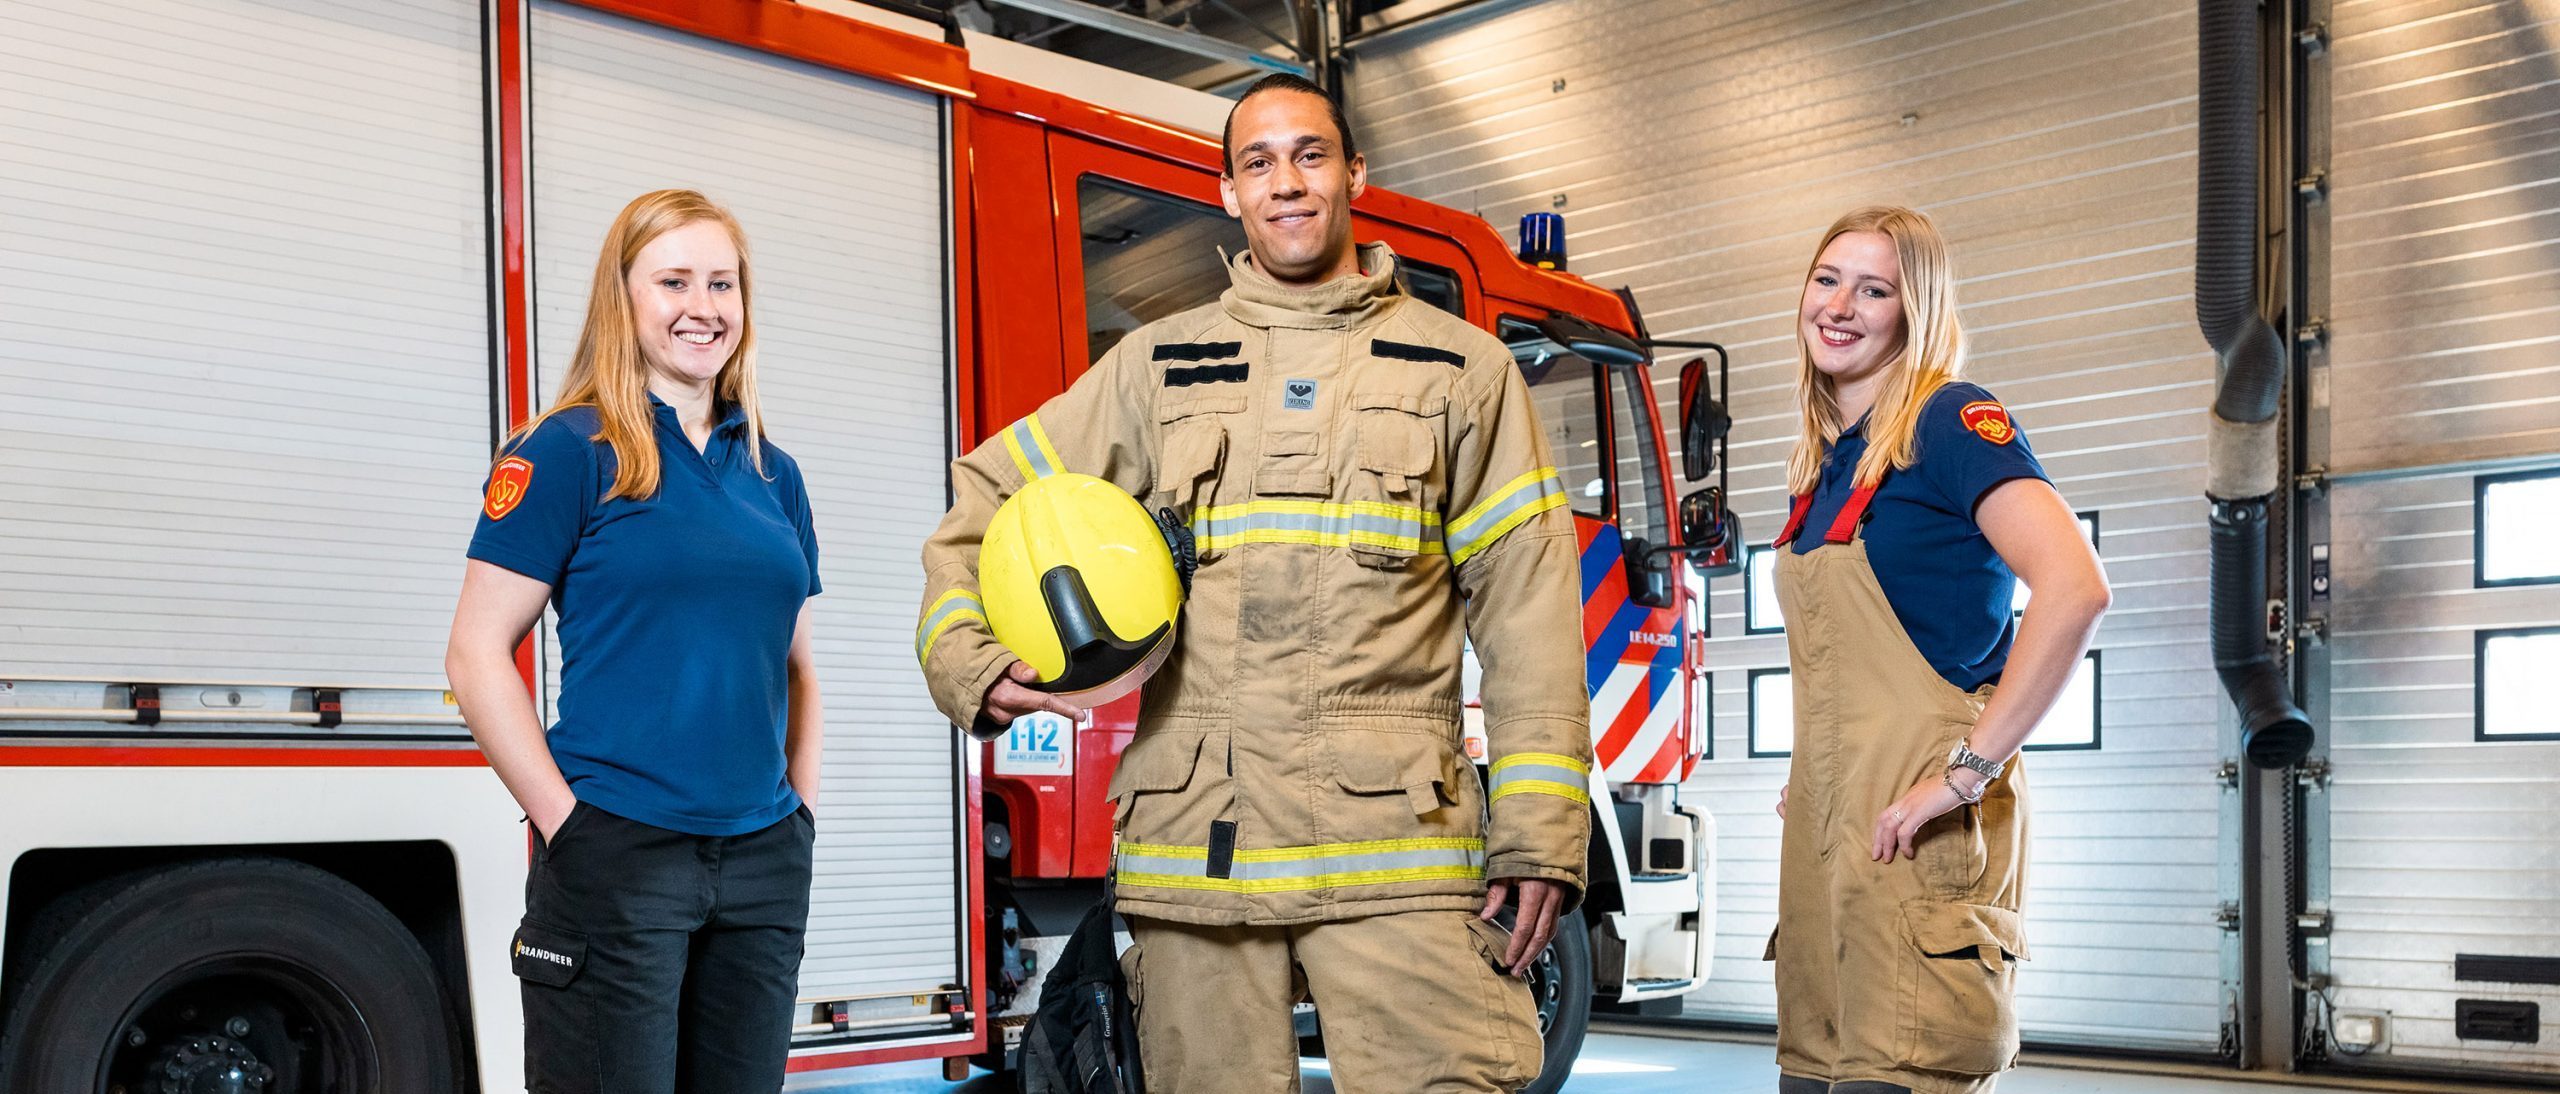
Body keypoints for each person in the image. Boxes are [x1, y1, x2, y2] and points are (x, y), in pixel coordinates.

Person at [916, 75, 1590, 1093]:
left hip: (1393, 857)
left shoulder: (1462, 372)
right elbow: (988, 492)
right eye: (1258, 162)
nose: (1286, 182)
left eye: (1309, 155)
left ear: (1354, 174)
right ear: (1227, 190)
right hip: (1201, 859)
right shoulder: (1157, 368)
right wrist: (970, 657)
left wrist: (1541, 831)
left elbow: (1529, 607)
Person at [445, 189, 824, 1094]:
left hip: (762, 862)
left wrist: (797, 821)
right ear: (625, 298)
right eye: (674, 281)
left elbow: (799, 665)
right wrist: (568, 824)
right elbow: (474, 652)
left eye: (722, 284)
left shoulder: (775, 471)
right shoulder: (564, 451)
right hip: (620, 852)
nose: (703, 307)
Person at [1764, 205, 2111, 1094]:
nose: (1840, 306)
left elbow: (2074, 590)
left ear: (1912, 309)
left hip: (1923, 832)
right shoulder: (1830, 462)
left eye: (1874, 289)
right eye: (1827, 278)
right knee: (1813, 1078)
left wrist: (1968, 772)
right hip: (1830, 839)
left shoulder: (1952, 421)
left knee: (1902, 1075)